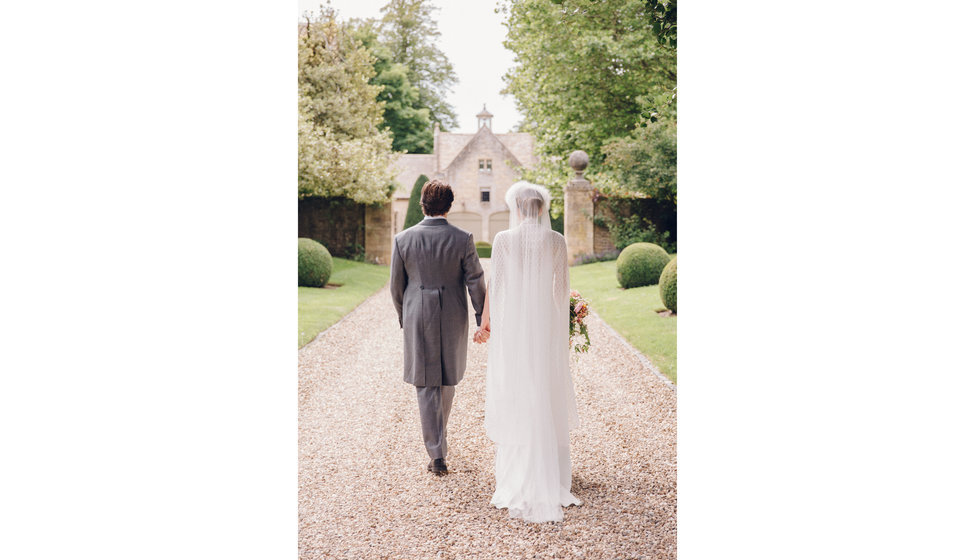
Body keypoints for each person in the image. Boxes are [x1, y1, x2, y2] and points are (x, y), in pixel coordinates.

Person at [473, 181, 582, 522]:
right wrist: (564, 325)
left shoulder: (504, 240)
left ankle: (520, 469)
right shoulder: (557, 241)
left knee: (518, 388)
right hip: (546, 323)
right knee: (546, 387)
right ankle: (550, 471)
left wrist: (486, 321)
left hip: (515, 326)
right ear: (542, 208)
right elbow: (561, 289)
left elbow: (497, 284)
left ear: (518, 208)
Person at [390, 179, 486, 475]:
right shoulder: (462, 238)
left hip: (418, 313)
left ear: (423, 204)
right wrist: (482, 317)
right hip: (453, 315)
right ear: (449, 206)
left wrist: (405, 316)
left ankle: (436, 449)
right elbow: (475, 280)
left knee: (426, 383)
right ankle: (437, 451)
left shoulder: (403, 239)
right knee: (446, 381)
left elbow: (396, 287)